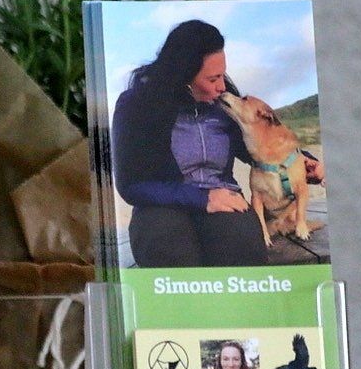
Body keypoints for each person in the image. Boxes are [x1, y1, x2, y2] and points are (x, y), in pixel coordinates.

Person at [112, 19, 268, 267]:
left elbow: (259, 143)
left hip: (223, 194)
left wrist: (301, 161)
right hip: (161, 205)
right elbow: (130, 185)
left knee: (243, 247)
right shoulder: (136, 104)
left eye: (222, 75)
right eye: (212, 79)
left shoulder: (223, 98)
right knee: (169, 250)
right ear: (183, 75)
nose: (222, 87)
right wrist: (202, 199)